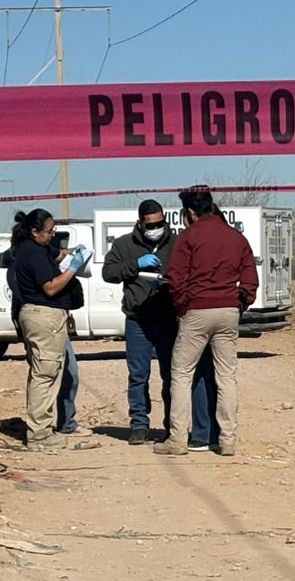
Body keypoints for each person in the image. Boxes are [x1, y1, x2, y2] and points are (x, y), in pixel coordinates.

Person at [101, 198, 218, 447]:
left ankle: (170, 426)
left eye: (159, 223)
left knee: (171, 375)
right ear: (140, 223)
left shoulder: (178, 242)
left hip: (168, 319)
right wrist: (135, 265)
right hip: (138, 320)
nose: (155, 228)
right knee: (138, 375)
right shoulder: (124, 244)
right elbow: (109, 273)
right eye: (150, 225)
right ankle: (139, 425)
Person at [155, 187, 257, 457]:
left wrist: (182, 307)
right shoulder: (235, 237)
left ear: (189, 212)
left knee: (181, 374)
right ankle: (228, 440)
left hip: (197, 311)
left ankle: (177, 439)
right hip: (228, 310)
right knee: (227, 376)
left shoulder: (188, 237)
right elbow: (250, 277)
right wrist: (241, 303)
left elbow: (177, 277)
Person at [8, 208, 89, 446]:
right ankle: (40, 433)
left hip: (44, 317)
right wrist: (73, 269)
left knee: (48, 372)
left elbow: (58, 254)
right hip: (43, 317)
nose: (53, 234)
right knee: (45, 374)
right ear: (35, 232)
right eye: (50, 231)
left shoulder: (38, 248)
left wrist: (73, 253)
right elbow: (51, 288)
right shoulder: (32, 253)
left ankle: (44, 427)